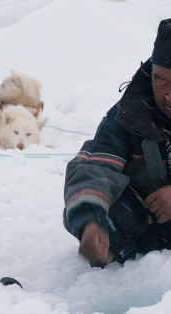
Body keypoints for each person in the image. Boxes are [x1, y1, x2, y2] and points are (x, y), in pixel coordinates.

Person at [63, 18, 171, 267]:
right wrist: (89, 222)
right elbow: (95, 168)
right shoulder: (129, 115)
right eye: (160, 81)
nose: (168, 96)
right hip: (148, 235)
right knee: (106, 212)